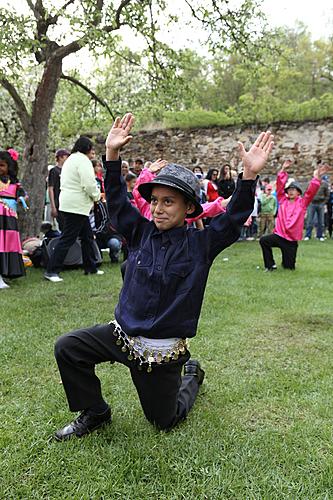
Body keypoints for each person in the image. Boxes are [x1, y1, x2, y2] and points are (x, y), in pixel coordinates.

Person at [53, 113, 274, 441]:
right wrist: (112, 156)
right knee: (68, 347)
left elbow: (233, 218)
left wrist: (248, 177)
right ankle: (95, 411)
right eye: (154, 200)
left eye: (168, 201)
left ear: (188, 209)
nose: (157, 208)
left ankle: (192, 375)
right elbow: (115, 202)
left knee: (164, 420)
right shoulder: (139, 232)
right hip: (122, 336)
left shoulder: (201, 244)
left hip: (160, 354)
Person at [44, 136, 102, 282]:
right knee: (67, 239)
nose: (93, 152)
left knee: (87, 237)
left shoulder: (71, 160)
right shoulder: (83, 161)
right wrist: (96, 196)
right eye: (91, 148)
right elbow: (88, 183)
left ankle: (91, 267)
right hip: (76, 206)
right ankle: (51, 271)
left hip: (70, 204)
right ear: (87, 149)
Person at [259, 160, 330, 271]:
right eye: (290, 190)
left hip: (291, 241)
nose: (291, 192)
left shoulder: (302, 203)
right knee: (264, 240)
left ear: (298, 193)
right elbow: (280, 186)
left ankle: (286, 260)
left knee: (289, 267)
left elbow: (311, 191)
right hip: (280, 236)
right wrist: (283, 169)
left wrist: (317, 177)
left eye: (294, 190)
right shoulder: (282, 200)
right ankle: (270, 265)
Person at [0, 149, 27, 289]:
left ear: (9, 166)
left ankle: (5, 272)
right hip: (0, 218)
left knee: (8, 243)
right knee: (0, 243)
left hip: (10, 218)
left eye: (2, 165)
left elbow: (21, 193)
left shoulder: (15, 183)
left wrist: (22, 198)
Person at [304, 166, 330, 241]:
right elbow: (306, 193)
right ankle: (308, 235)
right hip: (311, 203)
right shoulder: (310, 183)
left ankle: (320, 235)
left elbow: (327, 194)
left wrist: (324, 202)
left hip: (320, 204)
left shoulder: (324, 184)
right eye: (315, 174)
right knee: (309, 220)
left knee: (321, 221)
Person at [48, 148, 70, 231]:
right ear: (60, 157)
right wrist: (53, 207)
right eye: (65, 157)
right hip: (58, 203)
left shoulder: (67, 170)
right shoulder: (54, 171)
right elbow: (50, 188)